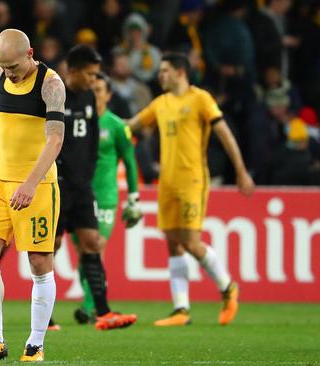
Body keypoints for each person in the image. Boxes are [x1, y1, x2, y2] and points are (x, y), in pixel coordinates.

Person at [128, 52, 255, 327]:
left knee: (191, 241)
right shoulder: (161, 103)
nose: (160, 75)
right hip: (168, 182)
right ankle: (181, 309)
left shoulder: (200, 99)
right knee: (172, 242)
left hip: (192, 180)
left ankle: (228, 287)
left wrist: (241, 171)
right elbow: (130, 126)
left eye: (165, 70)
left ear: (180, 73)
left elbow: (225, 135)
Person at [0, 29, 64, 362]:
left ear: (30, 53)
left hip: (37, 184)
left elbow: (55, 140)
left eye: (13, 67)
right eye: (2, 68)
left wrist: (31, 183)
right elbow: (0, 128)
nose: (8, 74)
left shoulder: (51, 84)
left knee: (39, 263)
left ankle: (35, 344)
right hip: (0, 181)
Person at [54, 44, 137, 331]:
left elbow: (90, 140)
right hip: (56, 186)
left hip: (81, 188)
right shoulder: (53, 95)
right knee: (48, 249)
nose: (93, 80)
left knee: (92, 244)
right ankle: (45, 318)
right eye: (89, 74)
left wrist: (86, 173)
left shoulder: (89, 97)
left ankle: (103, 312)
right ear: (72, 71)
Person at [72, 71, 142, 324]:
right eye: (92, 89)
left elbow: (131, 162)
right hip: (78, 195)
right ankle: (94, 303)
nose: (95, 94)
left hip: (104, 197)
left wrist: (134, 198)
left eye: (100, 89)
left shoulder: (115, 126)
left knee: (97, 247)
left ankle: (90, 306)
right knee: (83, 254)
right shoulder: (79, 120)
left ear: (109, 95)